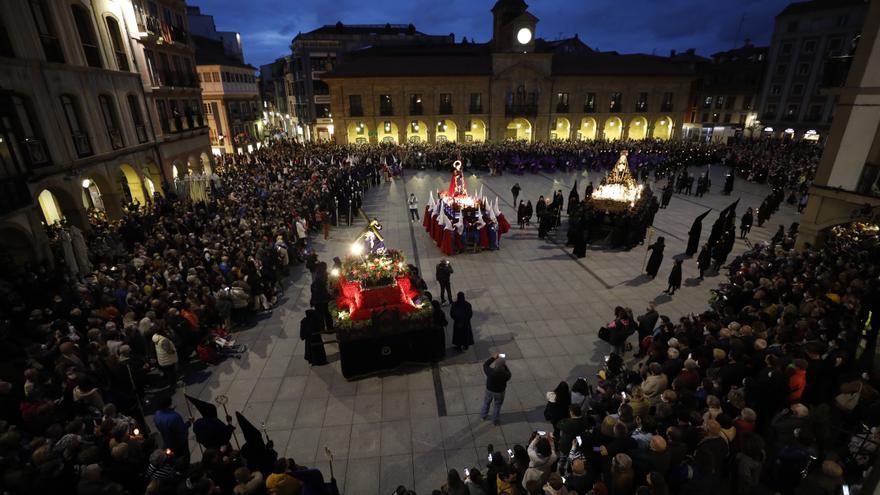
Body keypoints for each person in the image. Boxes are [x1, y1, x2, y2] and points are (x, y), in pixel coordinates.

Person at [153, 396, 190, 462]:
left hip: (167, 442)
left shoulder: (157, 414)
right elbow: (182, 432)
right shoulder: (174, 417)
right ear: (169, 404)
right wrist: (188, 423)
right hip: (179, 444)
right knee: (184, 459)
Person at [481, 354, 511, 426]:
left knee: (486, 403)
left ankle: (483, 416)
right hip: (500, 392)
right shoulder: (506, 375)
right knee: (497, 406)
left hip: (489, 390)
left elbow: (485, 365)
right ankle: (494, 421)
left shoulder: (490, 372)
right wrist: (505, 366)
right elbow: (509, 374)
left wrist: (493, 358)